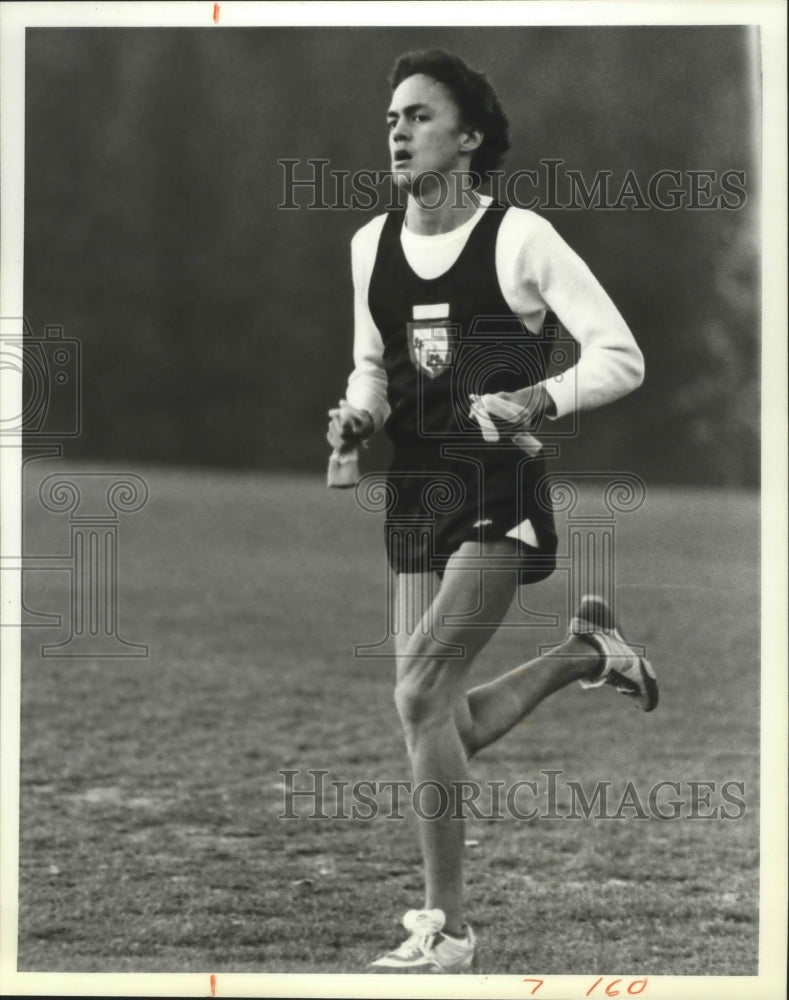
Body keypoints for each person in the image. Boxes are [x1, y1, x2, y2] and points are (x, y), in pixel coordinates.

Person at [326, 49, 658, 974]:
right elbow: (372, 367)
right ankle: (585, 655)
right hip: (411, 492)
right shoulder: (367, 246)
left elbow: (620, 355)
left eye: (420, 116)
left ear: (468, 137)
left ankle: (448, 927)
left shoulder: (520, 238)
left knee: (417, 694)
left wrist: (537, 400)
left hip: (494, 485)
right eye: (392, 116)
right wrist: (357, 412)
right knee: (436, 720)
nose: (397, 131)